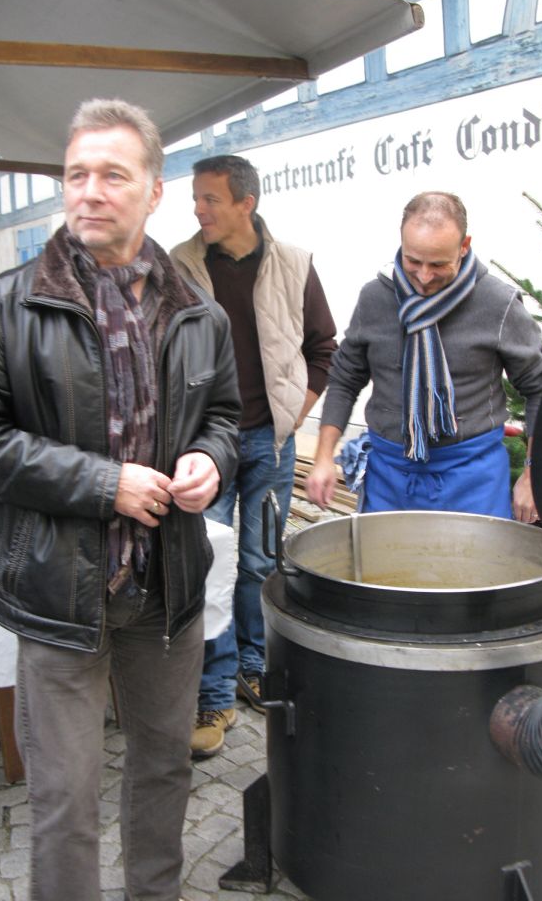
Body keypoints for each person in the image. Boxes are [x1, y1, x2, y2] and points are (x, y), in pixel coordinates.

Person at [0, 99, 241, 901]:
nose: (90, 191)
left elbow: (225, 417)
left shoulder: (199, 312)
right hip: (58, 590)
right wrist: (106, 485)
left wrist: (209, 460)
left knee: (164, 769)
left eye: (113, 174)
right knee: (64, 795)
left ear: (155, 192)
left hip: (166, 587)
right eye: (77, 174)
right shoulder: (4, 306)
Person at [171, 155, 337, 758]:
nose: (198, 209)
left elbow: (324, 347)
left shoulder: (294, 263)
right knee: (209, 566)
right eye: (196, 198)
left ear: (246, 203)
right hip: (204, 447)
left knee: (261, 561)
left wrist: (295, 411)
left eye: (210, 198)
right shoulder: (178, 266)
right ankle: (212, 694)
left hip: (271, 440)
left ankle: (254, 666)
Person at [306, 191, 542, 522]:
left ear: (464, 246)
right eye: (413, 261)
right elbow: (344, 378)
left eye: (437, 264)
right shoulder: (375, 299)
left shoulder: (498, 303)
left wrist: (533, 475)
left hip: (473, 479)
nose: (424, 276)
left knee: (475, 560)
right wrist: (323, 456)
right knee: (386, 559)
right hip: (389, 478)